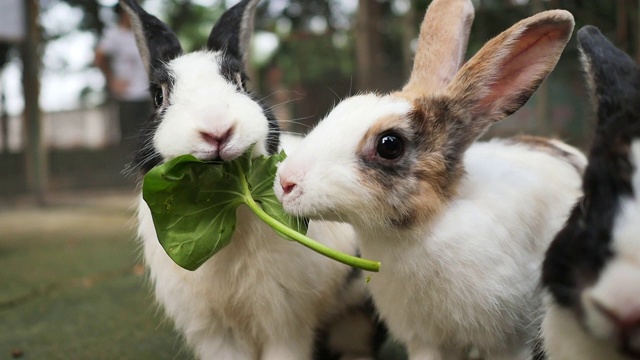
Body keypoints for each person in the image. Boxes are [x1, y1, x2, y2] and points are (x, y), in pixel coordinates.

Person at [95, 3, 151, 150]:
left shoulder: (141, 34)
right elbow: (99, 57)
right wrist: (112, 80)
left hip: (146, 93)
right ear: (123, 13)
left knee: (148, 137)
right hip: (127, 95)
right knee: (129, 139)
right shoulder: (114, 34)